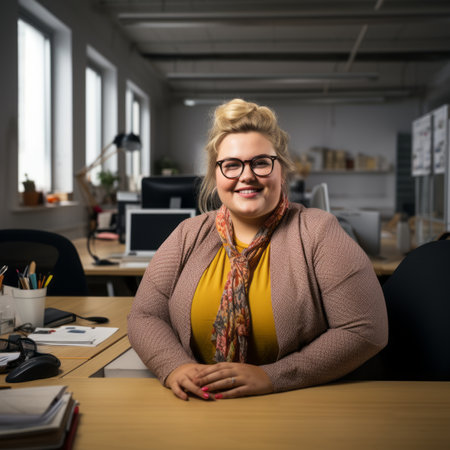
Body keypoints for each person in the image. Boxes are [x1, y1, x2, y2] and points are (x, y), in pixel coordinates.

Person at [128, 98, 388, 401]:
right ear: (216, 176)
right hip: (197, 403)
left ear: (282, 171)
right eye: (231, 165)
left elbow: (365, 330)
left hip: (294, 402)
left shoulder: (319, 232)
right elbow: (144, 315)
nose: (246, 175)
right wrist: (174, 367)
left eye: (261, 162)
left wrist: (273, 376)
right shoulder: (189, 233)